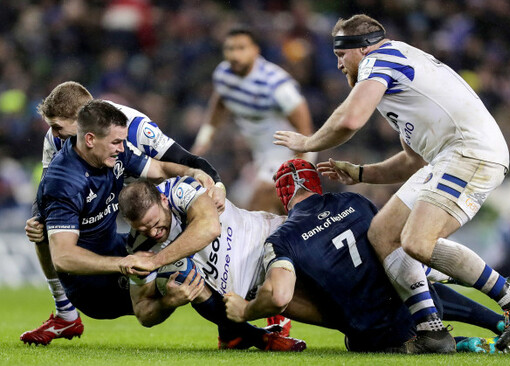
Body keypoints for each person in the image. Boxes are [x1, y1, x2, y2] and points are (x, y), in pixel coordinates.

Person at [273, 14, 510, 352]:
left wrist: (309, 142)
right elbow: (413, 159)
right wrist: (361, 173)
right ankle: (432, 332)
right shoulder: (394, 74)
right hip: (448, 155)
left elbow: (352, 118)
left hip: (470, 152)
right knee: (383, 232)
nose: (339, 65)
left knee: (417, 241)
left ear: (361, 49)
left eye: (341, 55)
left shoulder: (380, 60)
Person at [222, 159, 510, 353]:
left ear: (282, 198)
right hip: (418, 307)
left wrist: (245, 310)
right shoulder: (355, 202)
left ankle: (460, 342)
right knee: (401, 277)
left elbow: (279, 297)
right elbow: (395, 255)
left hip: (374, 333)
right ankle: (497, 322)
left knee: (337, 317)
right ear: (316, 184)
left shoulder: (282, 238)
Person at [21, 81, 225, 346]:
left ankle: (239, 307)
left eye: (59, 126)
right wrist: (39, 216)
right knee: (45, 226)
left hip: (143, 189)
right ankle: (65, 312)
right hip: (107, 192)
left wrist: (214, 182)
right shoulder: (58, 143)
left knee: (191, 234)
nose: (53, 134)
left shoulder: (135, 129)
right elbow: (47, 186)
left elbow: (181, 160)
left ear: (85, 120)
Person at [191, 26, 315, 333]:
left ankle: (276, 308)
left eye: (241, 48)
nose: (234, 55)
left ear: (256, 51)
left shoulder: (276, 83)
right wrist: (205, 138)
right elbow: (220, 102)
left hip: (284, 158)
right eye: (229, 49)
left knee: (258, 221)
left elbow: (306, 128)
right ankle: (277, 301)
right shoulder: (224, 74)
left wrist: (302, 172)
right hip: (261, 160)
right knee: (264, 228)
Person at [118, 177, 305, 351]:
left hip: (262, 237)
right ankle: (257, 337)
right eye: (143, 229)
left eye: (156, 222)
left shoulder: (179, 190)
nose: (152, 233)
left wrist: (155, 262)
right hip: (237, 287)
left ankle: (232, 334)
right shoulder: (138, 247)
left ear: (163, 199)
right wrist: (169, 301)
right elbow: (143, 312)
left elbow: (210, 228)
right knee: (185, 276)